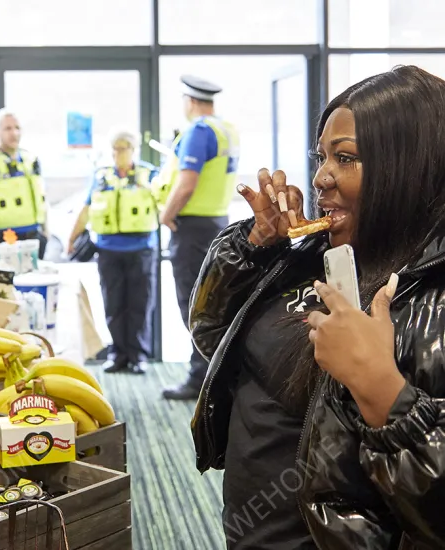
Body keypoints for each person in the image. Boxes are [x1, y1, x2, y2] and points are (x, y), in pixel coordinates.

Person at [190, 66, 445, 549]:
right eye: (321, 156)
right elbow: (210, 336)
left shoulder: (431, 298)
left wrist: (385, 395)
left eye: (345, 158)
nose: (320, 176)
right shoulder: (314, 254)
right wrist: (255, 247)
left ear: (410, 167)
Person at [154, 75, 241, 400]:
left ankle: (200, 378)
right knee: (214, 300)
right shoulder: (226, 129)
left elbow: (187, 182)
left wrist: (167, 214)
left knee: (193, 303)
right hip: (216, 222)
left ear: (190, 101)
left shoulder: (199, 131)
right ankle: (214, 373)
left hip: (191, 228)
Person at [68, 130, 158, 375]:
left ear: (134, 149)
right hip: (108, 249)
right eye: (115, 148)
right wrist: (72, 237)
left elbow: (165, 202)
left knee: (139, 303)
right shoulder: (100, 177)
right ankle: (117, 354)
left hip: (141, 249)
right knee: (113, 303)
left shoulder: (149, 175)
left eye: (124, 147)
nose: (118, 153)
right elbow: (86, 208)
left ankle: (138, 355)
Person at [0, 108, 47, 266]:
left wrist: (46, 232)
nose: (14, 133)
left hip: (33, 238)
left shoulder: (30, 160)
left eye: (17, 128)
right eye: (8, 128)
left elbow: (41, 198)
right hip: (2, 240)